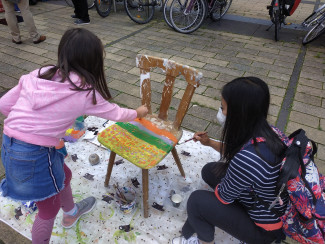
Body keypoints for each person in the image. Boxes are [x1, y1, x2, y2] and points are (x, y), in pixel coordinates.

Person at [0, 28, 148, 244]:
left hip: (9, 143)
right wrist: (138, 113)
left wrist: (37, 127)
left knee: (64, 175)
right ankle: (57, 223)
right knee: (48, 210)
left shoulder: (40, 73)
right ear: (94, 62)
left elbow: (4, 105)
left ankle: (71, 211)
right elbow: (116, 113)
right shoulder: (86, 91)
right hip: (36, 153)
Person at [172, 77, 289, 244]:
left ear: (239, 112)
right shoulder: (270, 131)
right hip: (268, 202)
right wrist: (210, 143)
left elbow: (224, 196)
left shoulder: (247, 159)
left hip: (265, 229)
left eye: (223, 108)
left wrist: (213, 202)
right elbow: (238, 151)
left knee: (197, 202)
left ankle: (203, 240)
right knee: (209, 170)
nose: (221, 113)